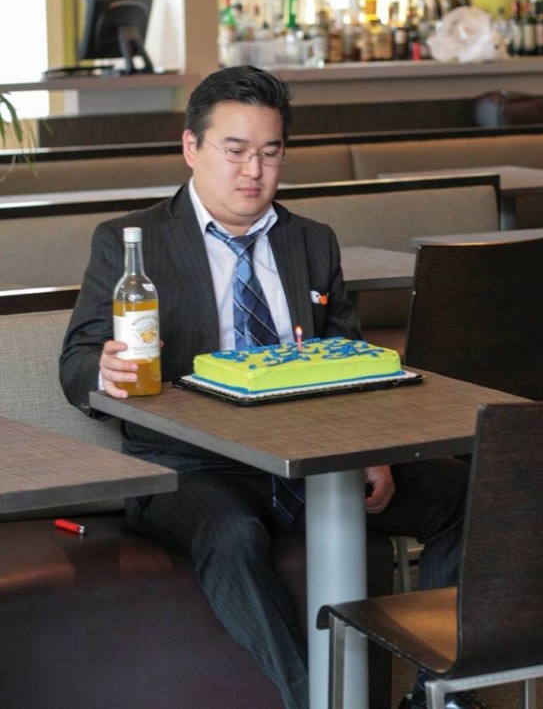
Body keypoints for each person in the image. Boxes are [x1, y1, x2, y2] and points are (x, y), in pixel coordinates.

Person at [59, 65, 487, 709]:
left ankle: (439, 697)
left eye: (269, 152)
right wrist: (103, 368)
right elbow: (74, 361)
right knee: (231, 534)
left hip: (311, 462)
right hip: (191, 466)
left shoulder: (312, 242)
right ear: (191, 148)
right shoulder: (133, 243)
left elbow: (357, 368)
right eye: (234, 151)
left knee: (469, 493)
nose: (252, 171)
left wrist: (374, 451)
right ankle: (311, 699)